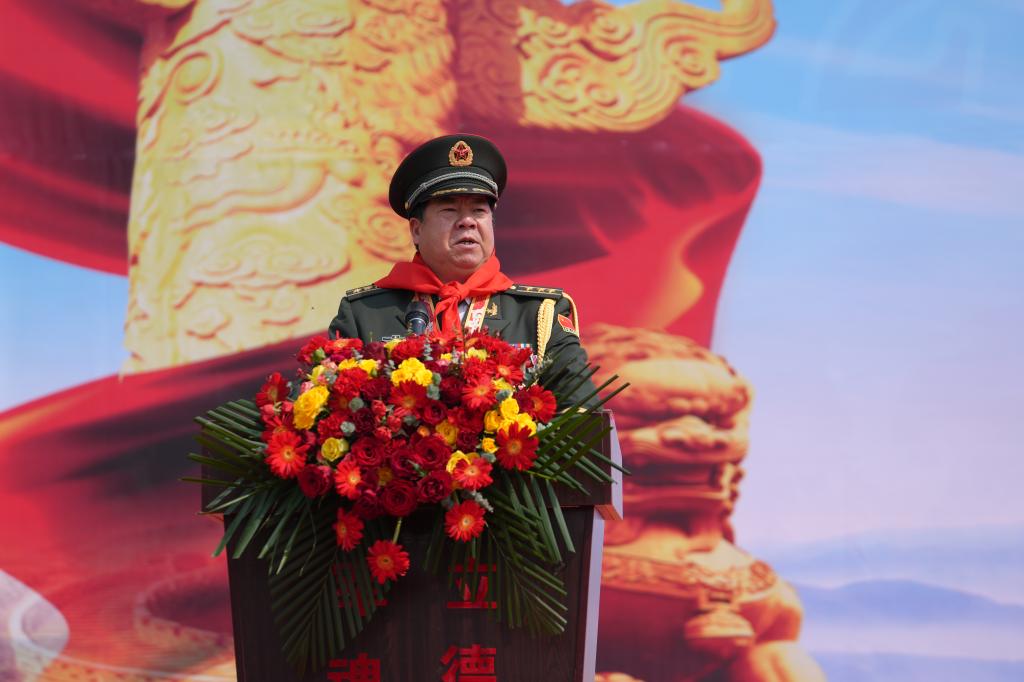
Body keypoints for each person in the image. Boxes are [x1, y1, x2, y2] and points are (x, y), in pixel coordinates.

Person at [328, 134, 594, 404]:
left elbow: (583, 415)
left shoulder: (539, 314)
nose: (467, 221)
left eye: (479, 211)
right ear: (416, 230)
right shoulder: (364, 314)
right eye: (449, 210)